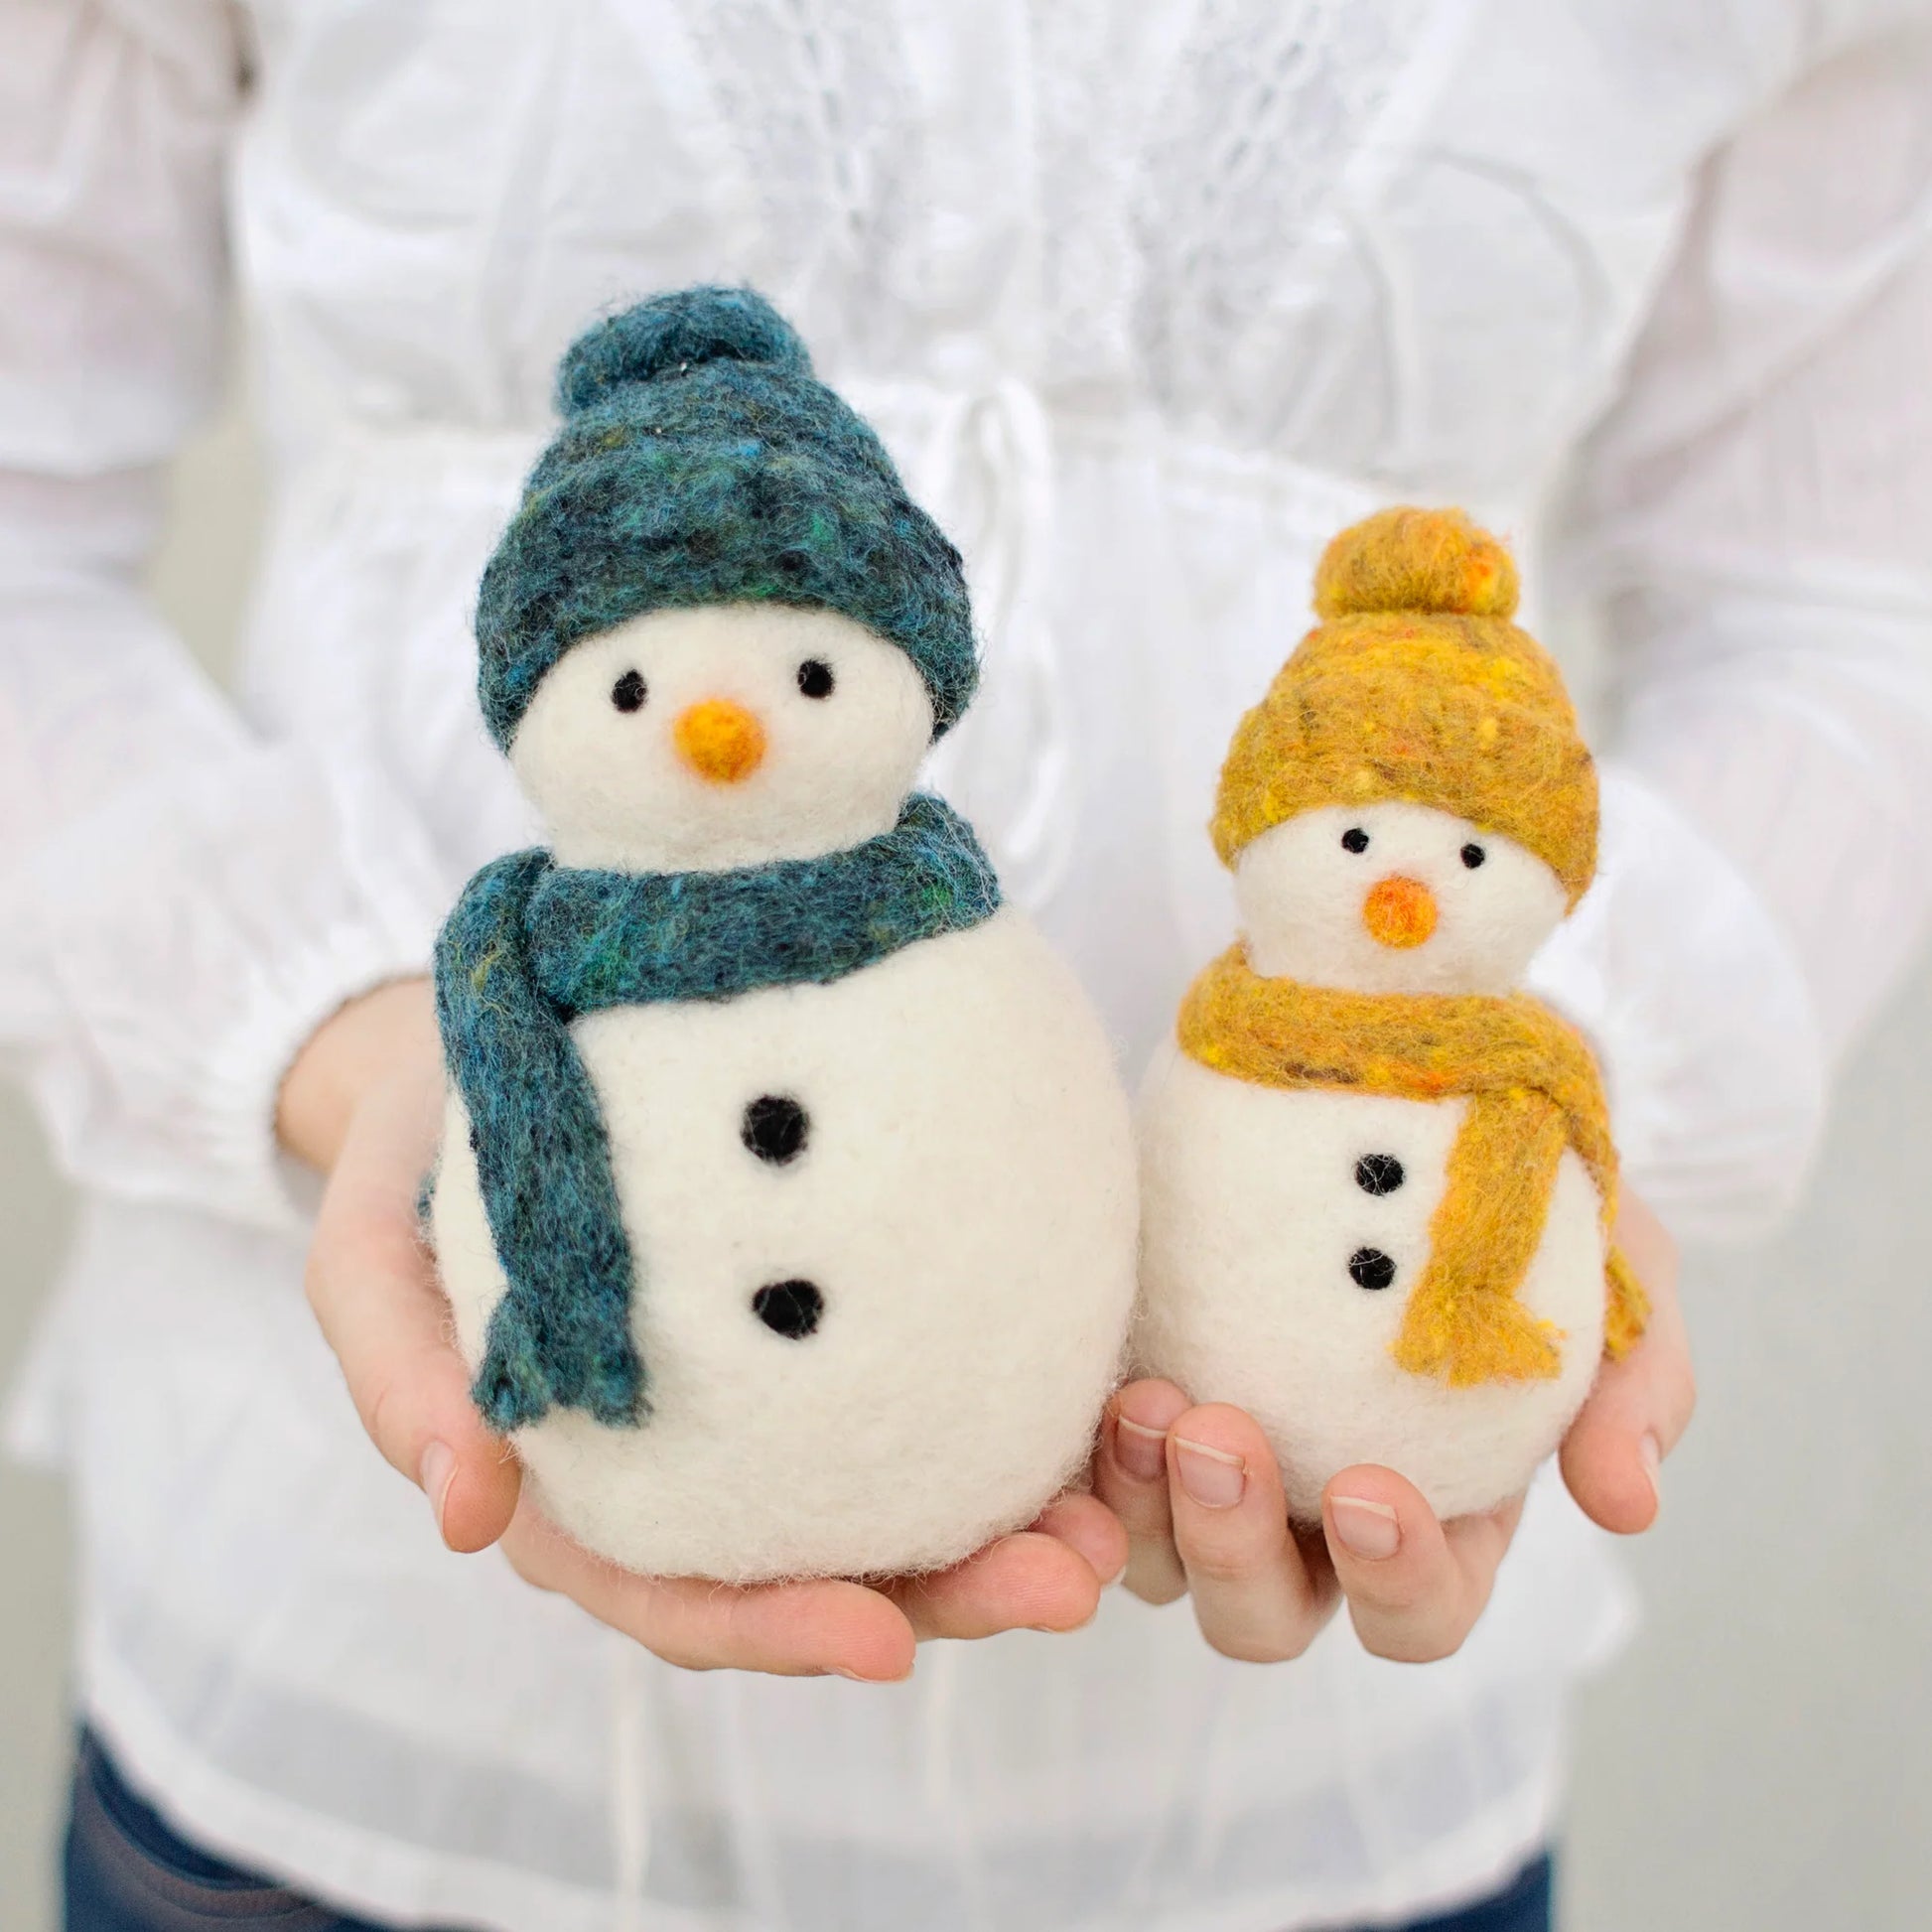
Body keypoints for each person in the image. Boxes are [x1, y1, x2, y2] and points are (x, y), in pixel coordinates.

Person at [4, 4, 1929, 1930]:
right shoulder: (533, 985)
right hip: (361, 1704)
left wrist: (1549, 1105)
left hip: (1295, 1798)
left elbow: (1844, 596)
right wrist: (336, 1042)